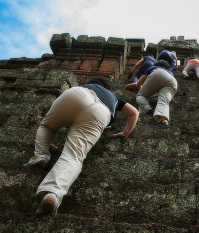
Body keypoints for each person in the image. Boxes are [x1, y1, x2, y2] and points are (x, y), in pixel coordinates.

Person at [24, 76, 138, 215]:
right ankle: (52, 192)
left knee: (47, 126)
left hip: (77, 94)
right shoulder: (114, 97)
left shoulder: (87, 85)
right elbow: (134, 113)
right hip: (102, 111)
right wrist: (125, 132)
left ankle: (40, 155)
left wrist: (47, 140)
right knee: (74, 156)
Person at [136, 60, 177, 126]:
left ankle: (147, 107)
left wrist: (144, 93)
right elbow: (164, 82)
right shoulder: (170, 72)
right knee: (164, 100)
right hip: (173, 81)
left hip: (158, 73)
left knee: (140, 96)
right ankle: (162, 120)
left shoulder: (153, 67)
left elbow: (139, 84)